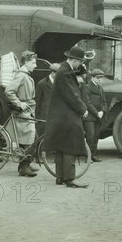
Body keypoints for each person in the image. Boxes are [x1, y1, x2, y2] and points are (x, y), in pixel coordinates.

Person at [43, 45, 90, 188]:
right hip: (67, 115)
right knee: (71, 144)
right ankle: (70, 179)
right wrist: (83, 109)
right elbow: (71, 94)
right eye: (80, 62)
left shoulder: (64, 69)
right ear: (75, 60)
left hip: (60, 116)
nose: (80, 65)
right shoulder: (65, 72)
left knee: (60, 146)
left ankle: (60, 177)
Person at [5, 51, 39, 177]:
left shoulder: (25, 75)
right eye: (33, 62)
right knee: (29, 138)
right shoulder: (21, 75)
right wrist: (19, 103)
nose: (35, 65)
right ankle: (24, 167)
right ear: (26, 62)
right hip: (22, 112)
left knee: (31, 138)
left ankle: (24, 165)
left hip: (26, 111)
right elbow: (9, 91)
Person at [81, 68, 107, 162]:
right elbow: (87, 103)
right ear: (92, 77)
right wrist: (97, 112)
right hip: (90, 117)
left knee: (96, 136)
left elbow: (104, 101)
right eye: (98, 78)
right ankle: (87, 157)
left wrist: (103, 111)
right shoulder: (87, 87)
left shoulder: (100, 88)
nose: (100, 79)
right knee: (90, 136)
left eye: (101, 78)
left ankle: (93, 155)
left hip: (98, 116)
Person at [34, 63, 60, 137]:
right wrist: (37, 118)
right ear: (52, 72)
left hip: (55, 116)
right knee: (41, 137)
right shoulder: (42, 83)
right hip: (44, 116)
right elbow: (37, 102)